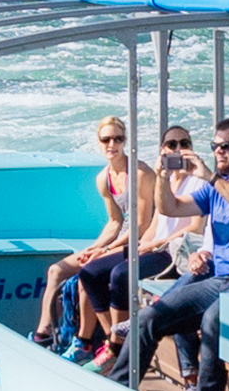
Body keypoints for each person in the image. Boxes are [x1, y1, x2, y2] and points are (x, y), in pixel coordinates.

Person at [117, 116, 229, 391]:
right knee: (150, 318)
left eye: (226, 146)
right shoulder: (216, 188)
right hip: (220, 279)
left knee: (213, 319)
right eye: (215, 146)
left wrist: (210, 176)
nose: (218, 152)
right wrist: (162, 179)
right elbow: (171, 207)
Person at [36, 115, 163, 348]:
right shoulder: (103, 178)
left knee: (89, 272)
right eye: (106, 140)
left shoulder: (141, 174)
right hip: (119, 238)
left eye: (118, 139)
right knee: (56, 271)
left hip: (142, 241)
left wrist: (105, 250)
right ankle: (43, 334)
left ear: (125, 141)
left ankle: (103, 342)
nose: (112, 145)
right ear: (99, 142)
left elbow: (141, 225)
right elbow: (115, 221)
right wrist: (94, 247)